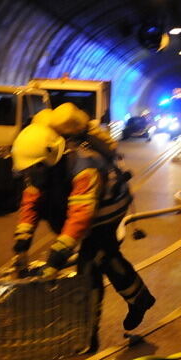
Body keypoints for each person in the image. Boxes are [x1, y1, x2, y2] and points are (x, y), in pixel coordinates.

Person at [10, 111, 155, 344]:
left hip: (107, 209)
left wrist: (56, 259)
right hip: (88, 210)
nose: (30, 174)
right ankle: (139, 298)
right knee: (105, 256)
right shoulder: (40, 167)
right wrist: (22, 242)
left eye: (33, 169)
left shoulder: (84, 167)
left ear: (50, 155)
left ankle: (88, 332)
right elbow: (31, 203)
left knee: (91, 262)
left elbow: (80, 216)